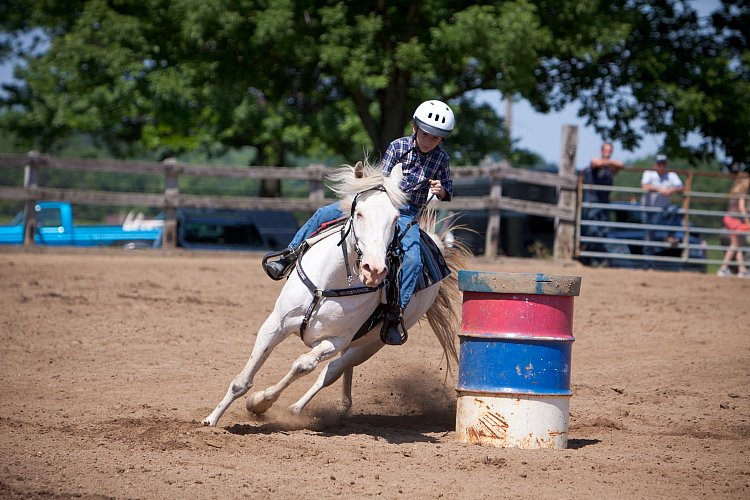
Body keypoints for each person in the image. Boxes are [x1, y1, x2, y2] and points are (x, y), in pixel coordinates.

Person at [264, 99, 455, 345]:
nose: (429, 141)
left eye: (436, 138)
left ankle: (394, 313)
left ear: (442, 140)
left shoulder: (442, 159)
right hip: (381, 202)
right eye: (426, 134)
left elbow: (448, 189)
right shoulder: (398, 147)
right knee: (324, 213)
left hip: (407, 214)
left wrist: (440, 190)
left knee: (412, 258)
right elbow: (382, 180)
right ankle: (289, 255)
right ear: (415, 128)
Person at [580, 142, 624, 265]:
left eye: (610, 150)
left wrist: (607, 163)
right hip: (592, 202)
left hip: (604, 203)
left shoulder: (611, 168)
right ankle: (598, 258)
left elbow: (621, 165)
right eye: (606, 150)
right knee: (592, 230)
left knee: (603, 231)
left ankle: (595, 258)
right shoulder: (596, 162)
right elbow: (595, 162)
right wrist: (607, 163)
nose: (608, 152)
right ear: (601, 150)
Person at [640, 154, 684, 255]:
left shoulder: (671, 175)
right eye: (659, 163)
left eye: (663, 163)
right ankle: (648, 264)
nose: (661, 166)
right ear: (654, 164)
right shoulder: (649, 173)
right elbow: (644, 186)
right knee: (649, 236)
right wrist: (660, 190)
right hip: (649, 210)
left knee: (677, 209)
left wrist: (671, 190)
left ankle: (670, 235)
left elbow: (681, 187)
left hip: (663, 211)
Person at [716, 173, 750, 277]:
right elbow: (742, 209)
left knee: (737, 245)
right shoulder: (742, 193)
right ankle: (723, 268)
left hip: (728, 218)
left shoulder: (735, 192)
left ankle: (742, 270)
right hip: (734, 220)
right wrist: (747, 221)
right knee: (735, 245)